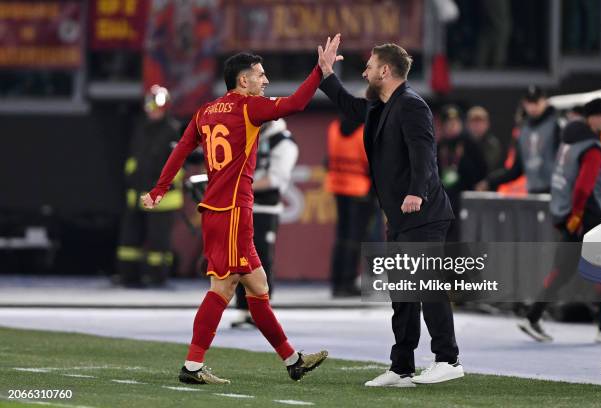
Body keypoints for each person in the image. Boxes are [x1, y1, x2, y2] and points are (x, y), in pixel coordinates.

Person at [141, 35, 343, 384]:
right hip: (233, 210)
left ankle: (292, 360)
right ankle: (192, 366)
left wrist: (159, 190)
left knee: (258, 286)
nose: (265, 81)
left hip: (219, 210)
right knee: (223, 287)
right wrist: (320, 72)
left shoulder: (205, 111)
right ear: (243, 79)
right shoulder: (248, 108)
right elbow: (295, 103)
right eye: (260, 74)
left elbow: (179, 153)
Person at [319, 42, 462, 386]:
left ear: (385, 71)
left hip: (424, 214)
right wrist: (326, 74)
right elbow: (349, 106)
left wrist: (417, 191)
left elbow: (424, 154)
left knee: (427, 286)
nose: (365, 72)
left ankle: (448, 359)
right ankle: (401, 367)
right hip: (399, 217)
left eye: (369, 66)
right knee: (402, 295)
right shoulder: (380, 106)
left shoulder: (412, 105)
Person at [518, 98, 601, 343]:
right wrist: (579, 214)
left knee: (563, 270)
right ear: (594, 117)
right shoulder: (592, 147)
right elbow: (583, 187)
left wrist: (569, 214)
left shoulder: (569, 141)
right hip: (589, 215)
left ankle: (533, 315)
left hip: (568, 214)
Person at [231, 118, 299, 327]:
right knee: (240, 260)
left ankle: (261, 311)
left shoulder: (283, 142)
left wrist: (240, 187)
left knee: (261, 260)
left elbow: (275, 180)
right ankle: (243, 309)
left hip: (265, 208)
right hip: (244, 206)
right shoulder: (251, 137)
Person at [115, 85, 182, 288]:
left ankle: (157, 277)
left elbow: (178, 165)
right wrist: (133, 180)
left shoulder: (173, 130)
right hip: (138, 194)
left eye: (156, 106)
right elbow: (134, 159)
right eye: (149, 106)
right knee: (129, 239)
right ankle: (128, 276)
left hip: (162, 198)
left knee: (158, 241)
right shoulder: (141, 128)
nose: (151, 110)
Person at [325, 115, 378, 297]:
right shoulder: (364, 131)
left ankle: (337, 281)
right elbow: (373, 164)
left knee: (342, 237)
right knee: (354, 238)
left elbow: (327, 161)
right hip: (359, 190)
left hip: (338, 187)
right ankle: (347, 282)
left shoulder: (334, 127)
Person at [477, 86, 561, 194]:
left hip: (554, 192)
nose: (533, 106)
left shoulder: (556, 127)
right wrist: (490, 181)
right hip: (532, 191)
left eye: (536, 102)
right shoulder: (523, 131)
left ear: (544, 101)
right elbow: (517, 169)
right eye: (529, 102)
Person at [437, 105, 488, 241]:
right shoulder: (440, 145)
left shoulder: (470, 143)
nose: (452, 126)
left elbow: (482, 171)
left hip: (465, 198)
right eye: (448, 123)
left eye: (455, 123)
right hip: (445, 200)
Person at [466, 106, 504, 173]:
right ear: (467, 124)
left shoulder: (493, 144)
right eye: (473, 121)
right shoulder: (462, 144)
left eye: (480, 121)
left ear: (487, 124)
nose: (477, 125)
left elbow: (489, 166)